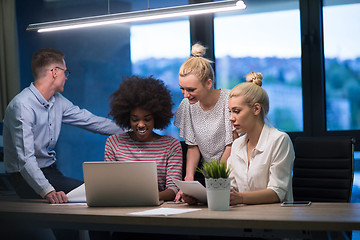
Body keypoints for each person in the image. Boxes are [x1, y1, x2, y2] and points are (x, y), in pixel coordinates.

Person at [3, 48, 121, 204]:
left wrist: (132, 128)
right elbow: (26, 161)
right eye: (66, 72)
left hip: (50, 172)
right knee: (94, 194)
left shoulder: (58, 100)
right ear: (54, 72)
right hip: (24, 178)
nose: (66, 77)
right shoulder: (23, 106)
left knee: (90, 195)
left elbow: (91, 121)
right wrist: (47, 190)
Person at [105, 75, 183, 201]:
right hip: (121, 208)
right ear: (126, 118)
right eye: (135, 119)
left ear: (156, 117)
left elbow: (173, 189)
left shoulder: (171, 145)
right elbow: (109, 185)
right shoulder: (114, 143)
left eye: (147, 119)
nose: (141, 125)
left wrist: (147, 198)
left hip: (157, 211)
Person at [174, 43, 234, 198]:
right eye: (182, 88)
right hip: (209, 178)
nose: (185, 95)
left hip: (232, 174)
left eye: (191, 90)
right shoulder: (187, 105)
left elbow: (231, 145)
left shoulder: (229, 100)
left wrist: (217, 178)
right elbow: (192, 147)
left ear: (209, 83)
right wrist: (188, 182)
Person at [227, 72, 294, 205]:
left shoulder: (279, 140)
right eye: (230, 111)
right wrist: (201, 196)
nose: (231, 118)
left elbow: (277, 192)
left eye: (237, 111)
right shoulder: (237, 144)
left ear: (256, 109)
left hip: (275, 218)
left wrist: (240, 198)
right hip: (243, 216)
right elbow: (231, 187)